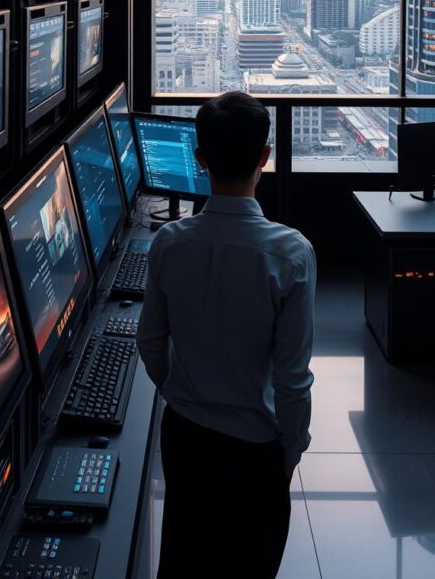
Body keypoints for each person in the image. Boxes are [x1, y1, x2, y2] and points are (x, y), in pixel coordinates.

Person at [136, 91, 316, 579]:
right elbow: (292, 378)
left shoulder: (169, 244)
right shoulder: (292, 254)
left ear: (199, 160)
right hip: (255, 449)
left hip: (185, 437)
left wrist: (179, 388)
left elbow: (150, 343)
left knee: (184, 559)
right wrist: (290, 452)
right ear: (265, 158)